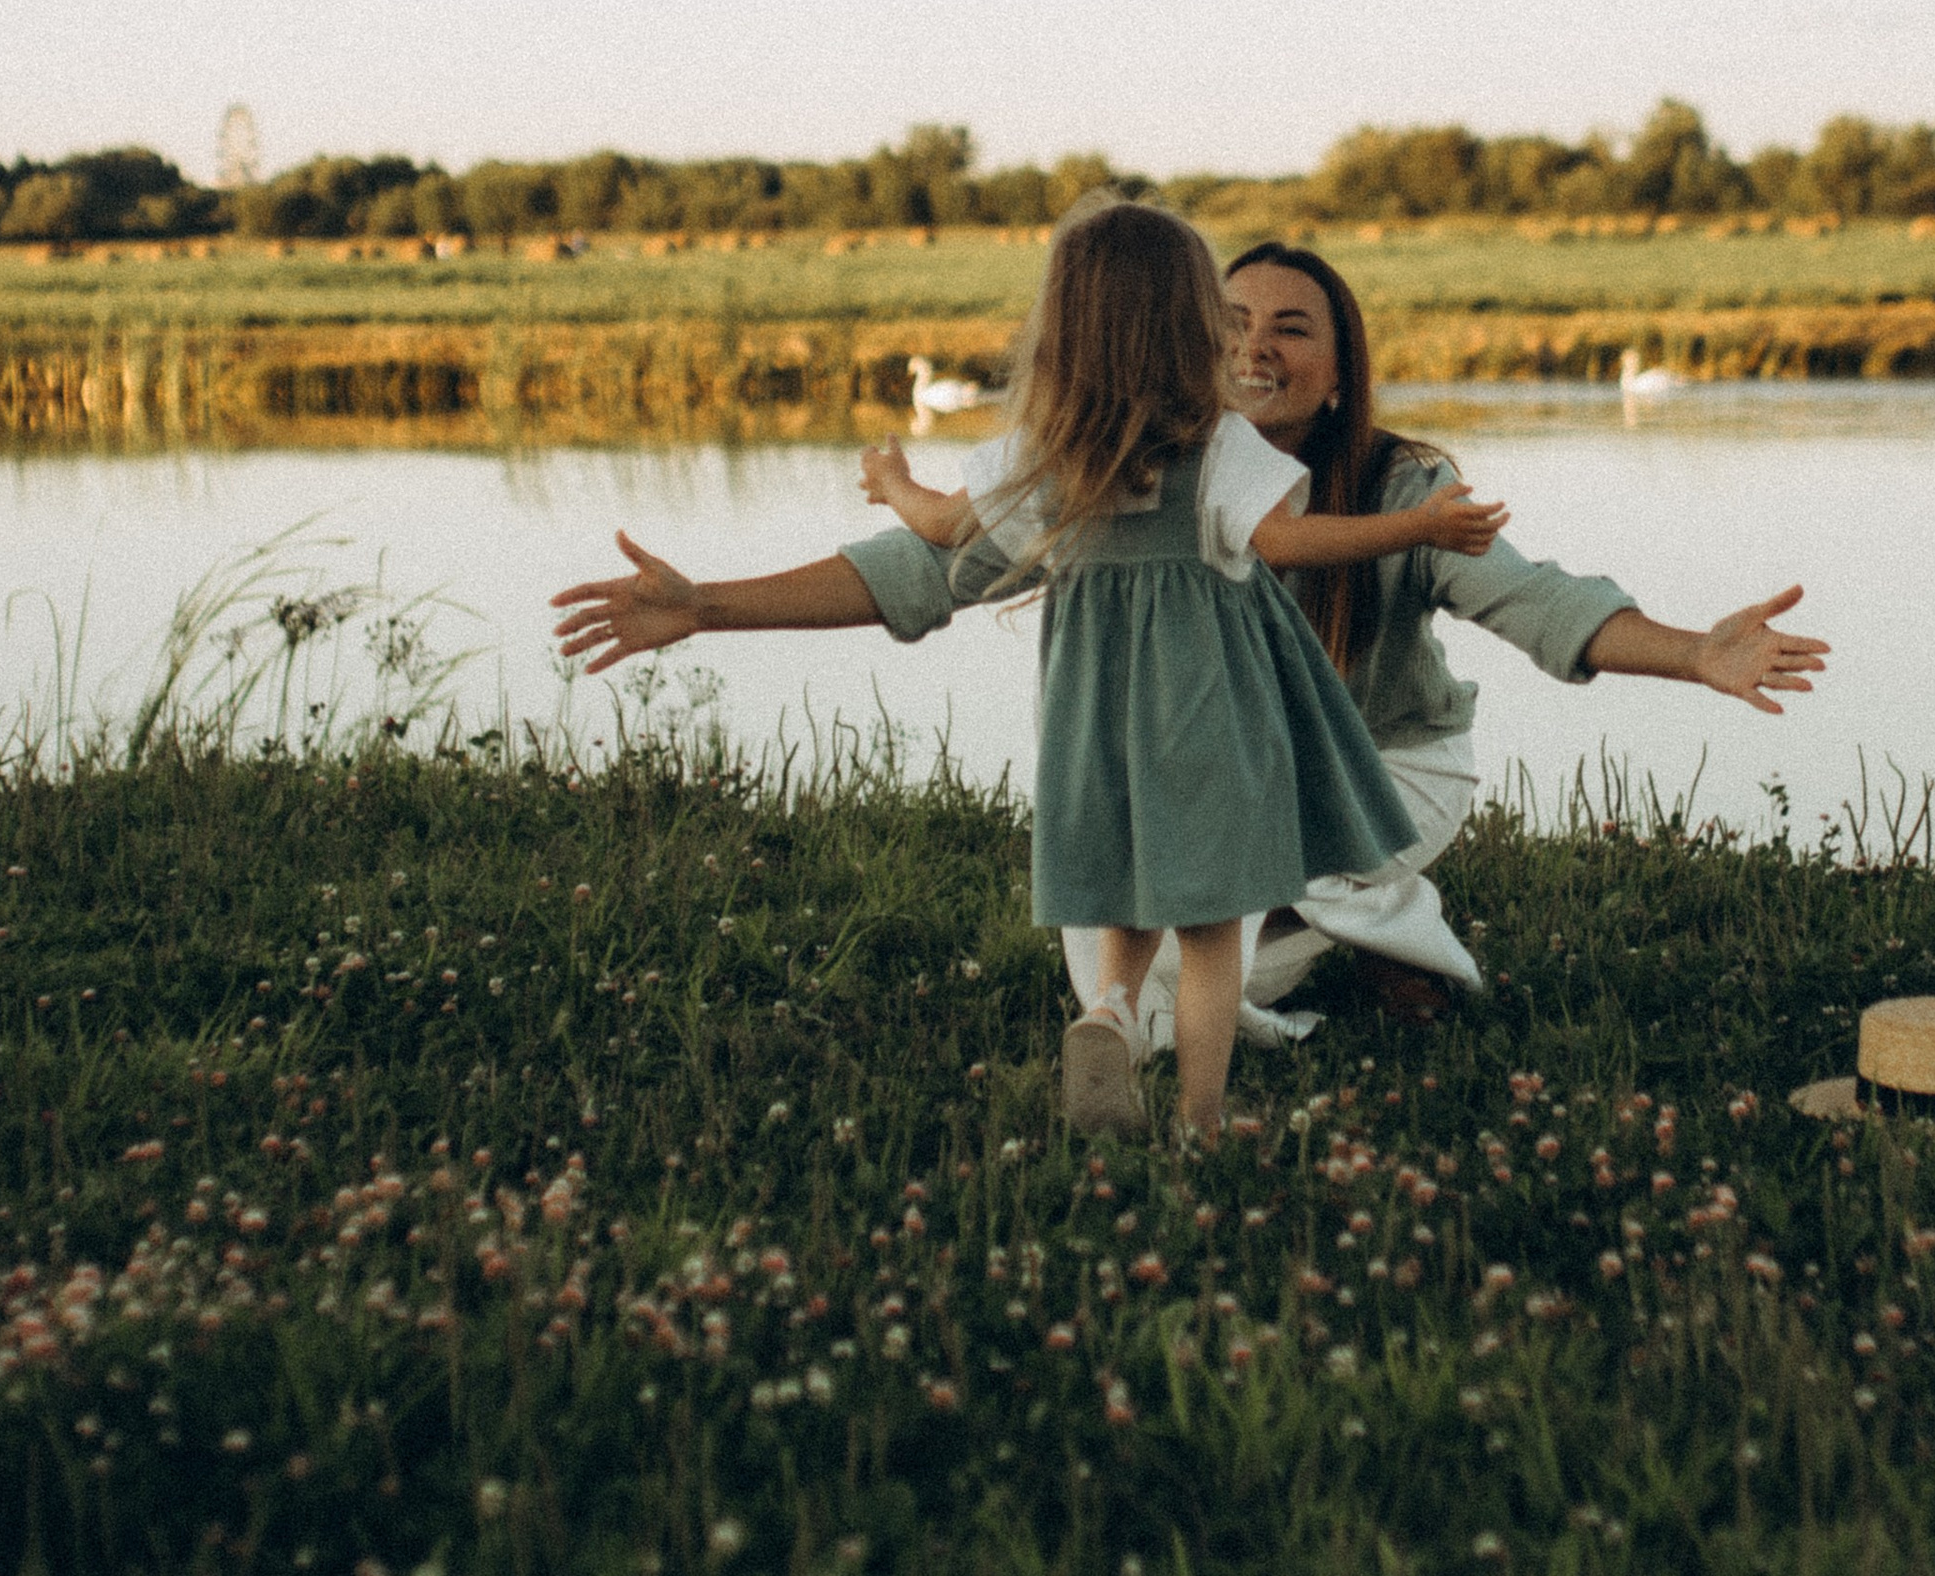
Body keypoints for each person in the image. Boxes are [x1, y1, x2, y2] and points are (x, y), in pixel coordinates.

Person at [552, 197, 1510, 1143]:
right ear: (1194, 330)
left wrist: (892, 485)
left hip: (1094, 726)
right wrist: (1421, 525)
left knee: (1132, 905)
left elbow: (936, 532)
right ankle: (1203, 1121)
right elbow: (1291, 541)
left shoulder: (1051, 456)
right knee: (1215, 930)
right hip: (1208, 717)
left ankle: (1109, 1017)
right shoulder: (1222, 447)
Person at [850, 237, 1827, 1046]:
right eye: (1231, 322)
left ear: (1337, 371)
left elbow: (1532, 599)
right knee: (1117, 981)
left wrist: (1693, 651)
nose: (1255, 345)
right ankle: (1290, 983)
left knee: (1285, 840)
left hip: (1391, 765)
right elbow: (933, 568)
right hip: (1231, 781)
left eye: (1291, 328)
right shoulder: (1128, 476)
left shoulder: (1397, 488)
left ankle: (1409, 949)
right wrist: (708, 605)